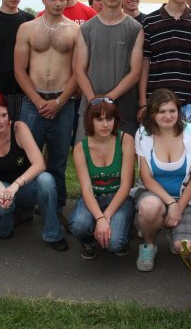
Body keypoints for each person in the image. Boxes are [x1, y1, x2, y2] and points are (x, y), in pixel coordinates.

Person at [15, 0, 79, 219]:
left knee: (58, 160)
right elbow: (19, 69)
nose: (58, 3)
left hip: (63, 103)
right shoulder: (27, 28)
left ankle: (56, 208)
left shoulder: (75, 30)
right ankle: (24, 207)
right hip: (33, 102)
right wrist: (37, 100)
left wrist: (59, 102)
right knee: (26, 158)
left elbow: (78, 71)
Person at [0, 92, 68, 251]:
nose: (2, 121)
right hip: (0, 187)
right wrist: (4, 191)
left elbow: (39, 164)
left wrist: (15, 186)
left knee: (46, 179)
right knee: (3, 225)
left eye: (4, 115)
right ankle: (10, 215)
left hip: (24, 186)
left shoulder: (19, 128)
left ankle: (53, 233)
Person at [133, 88, 191, 272]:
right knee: (150, 207)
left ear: (179, 111)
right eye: (161, 111)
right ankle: (149, 244)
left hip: (185, 197)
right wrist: (171, 203)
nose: (168, 116)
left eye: (172, 110)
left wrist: (178, 207)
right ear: (152, 113)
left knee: (184, 249)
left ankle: (175, 233)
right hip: (153, 194)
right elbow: (146, 178)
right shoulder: (142, 134)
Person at [74, 0, 144, 142]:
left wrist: (108, 98)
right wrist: (93, 100)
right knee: (87, 153)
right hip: (91, 107)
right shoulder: (86, 29)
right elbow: (79, 69)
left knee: (123, 156)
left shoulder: (135, 29)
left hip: (124, 109)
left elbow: (135, 72)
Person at [69, 97, 135, 260]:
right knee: (78, 225)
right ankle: (88, 241)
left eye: (109, 119)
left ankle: (123, 232)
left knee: (115, 244)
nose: (105, 124)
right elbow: (86, 189)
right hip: (93, 197)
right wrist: (99, 217)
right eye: (99, 119)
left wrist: (105, 217)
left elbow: (126, 185)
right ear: (89, 120)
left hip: (119, 198)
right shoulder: (80, 148)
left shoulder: (125, 140)